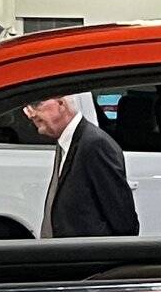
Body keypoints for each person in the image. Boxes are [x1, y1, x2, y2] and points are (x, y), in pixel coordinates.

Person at [25, 92, 139, 236]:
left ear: (61, 103)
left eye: (36, 104)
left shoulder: (95, 144)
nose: (30, 114)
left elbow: (123, 220)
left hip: (90, 255)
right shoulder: (67, 143)